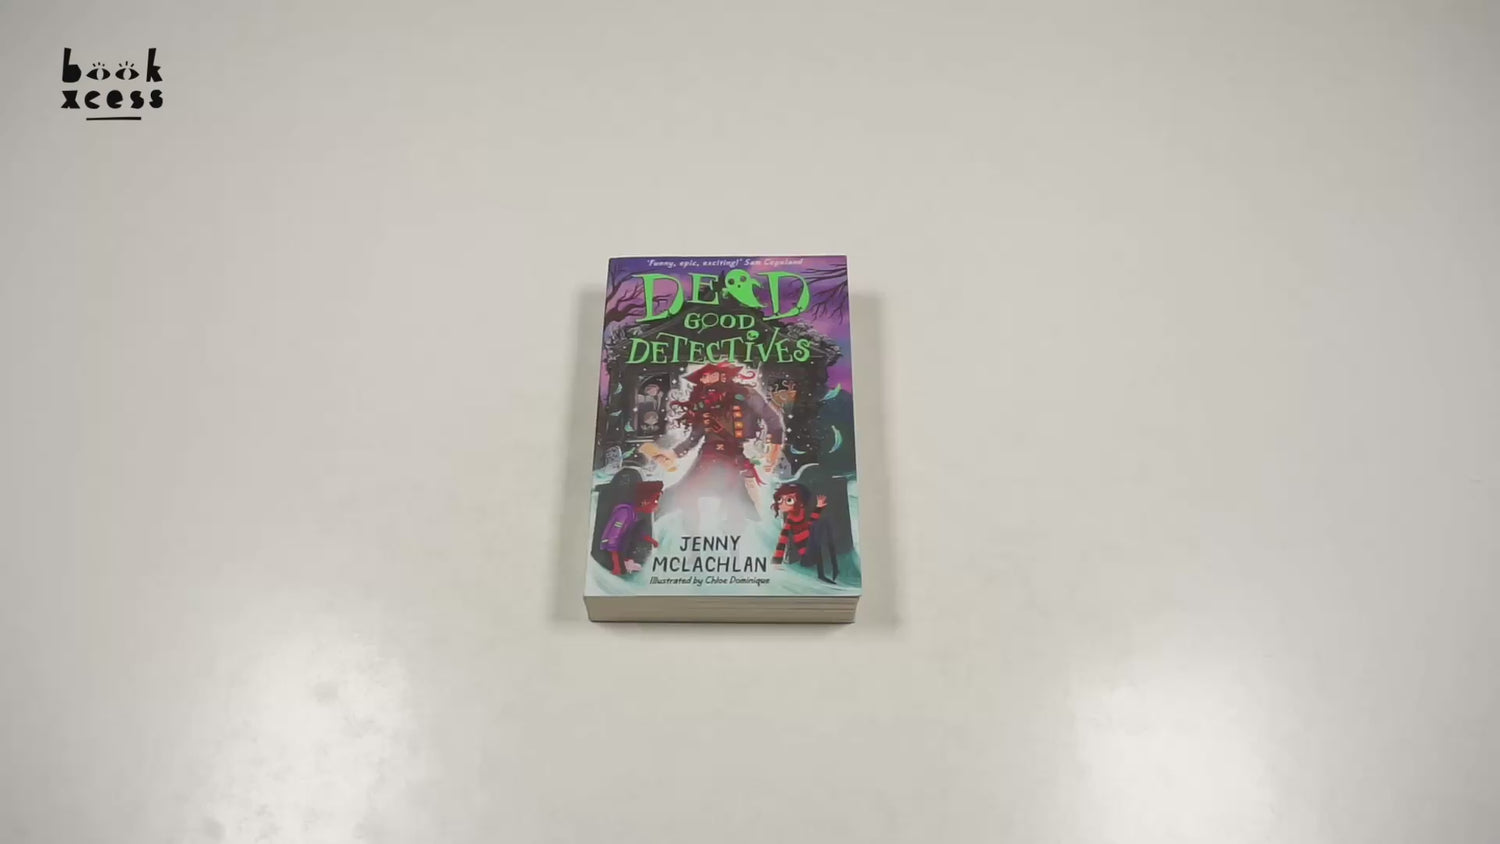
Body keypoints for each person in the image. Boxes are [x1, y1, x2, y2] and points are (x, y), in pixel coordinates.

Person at [648, 362, 783, 531]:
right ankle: (691, 536)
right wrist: (672, 454)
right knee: (684, 493)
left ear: (723, 375)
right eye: (703, 376)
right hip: (708, 456)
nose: (705, 379)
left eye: (710, 374)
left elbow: (773, 420)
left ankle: (735, 534)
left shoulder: (745, 393)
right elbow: (694, 437)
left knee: (740, 502)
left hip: (734, 457)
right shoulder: (703, 403)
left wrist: (774, 452)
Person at [771, 482, 836, 583]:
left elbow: (810, 524)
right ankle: (822, 574)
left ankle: (833, 567)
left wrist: (818, 507)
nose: (781, 504)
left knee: (821, 524)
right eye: (780, 499)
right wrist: (776, 561)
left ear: (800, 503)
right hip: (807, 557)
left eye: (788, 500)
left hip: (812, 550)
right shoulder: (790, 521)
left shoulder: (802, 513)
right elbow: (782, 541)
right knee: (820, 525)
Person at [598, 481, 663, 575]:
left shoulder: (633, 514)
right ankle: (619, 566)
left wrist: (651, 541)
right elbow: (614, 533)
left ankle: (626, 562)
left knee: (636, 530)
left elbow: (637, 534)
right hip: (611, 544)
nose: (656, 506)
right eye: (655, 502)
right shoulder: (625, 512)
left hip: (620, 544)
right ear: (644, 502)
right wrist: (617, 565)